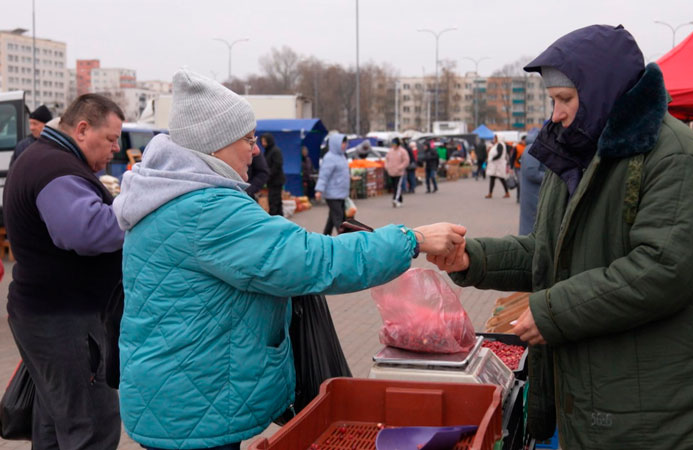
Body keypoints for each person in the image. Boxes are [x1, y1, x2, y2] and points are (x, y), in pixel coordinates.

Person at [428, 24, 693, 449]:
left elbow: (662, 270)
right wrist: (475, 258)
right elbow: (552, 254)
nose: (555, 114)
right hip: (614, 403)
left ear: (603, 93)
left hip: (670, 415)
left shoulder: (674, 158)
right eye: (552, 101)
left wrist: (554, 311)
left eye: (565, 100)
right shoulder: (582, 158)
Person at [112, 69, 466, 450]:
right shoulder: (206, 209)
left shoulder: (171, 195)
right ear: (214, 145)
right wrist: (412, 239)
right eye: (247, 139)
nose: (256, 149)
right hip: (192, 399)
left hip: (181, 390)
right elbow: (314, 260)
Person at [4, 94, 125, 449]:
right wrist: (137, 213)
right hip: (64, 321)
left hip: (47, 315)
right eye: (111, 139)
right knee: (91, 428)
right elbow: (84, 231)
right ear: (83, 129)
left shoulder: (44, 159)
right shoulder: (55, 168)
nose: (115, 150)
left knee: (55, 424)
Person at [315, 133, 350, 235]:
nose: (345, 145)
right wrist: (319, 190)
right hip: (332, 193)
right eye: (343, 143)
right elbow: (324, 175)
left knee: (333, 216)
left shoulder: (342, 156)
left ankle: (325, 236)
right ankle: (344, 239)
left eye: (345, 142)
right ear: (336, 143)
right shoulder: (329, 157)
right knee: (339, 217)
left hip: (341, 192)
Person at [518, 129, 544, 235]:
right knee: (531, 225)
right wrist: (553, 177)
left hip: (533, 194)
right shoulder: (533, 148)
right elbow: (531, 172)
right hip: (533, 195)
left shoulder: (533, 148)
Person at [261, 133, 285, 216]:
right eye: (262, 141)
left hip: (276, 180)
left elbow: (277, 164)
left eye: (265, 141)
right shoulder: (267, 151)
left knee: (274, 200)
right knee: (276, 200)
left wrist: (268, 174)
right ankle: (279, 217)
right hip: (271, 180)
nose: (263, 143)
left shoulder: (275, 151)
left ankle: (274, 217)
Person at [385, 137, 410, 207]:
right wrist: (387, 166)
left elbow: (406, 161)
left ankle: (395, 199)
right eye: (392, 143)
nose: (393, 145)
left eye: (395, 143)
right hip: (391, 172)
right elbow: (386, 160)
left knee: (397, 186)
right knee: (394, 186)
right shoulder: (390, 151)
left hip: (399, 172)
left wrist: (400, 167)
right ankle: (400, 199)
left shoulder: (402, 151)